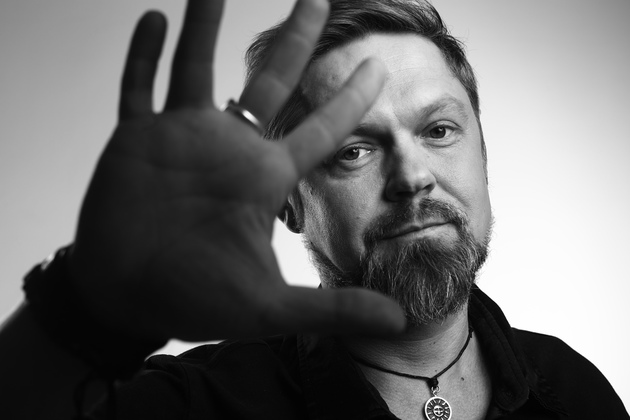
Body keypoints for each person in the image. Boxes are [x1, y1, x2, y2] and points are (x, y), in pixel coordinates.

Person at [0, 0, 627, 419]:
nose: (413, 177)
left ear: (483, 156)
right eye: (353, 150)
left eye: (439, 131)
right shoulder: (193, 405)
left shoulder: (576, 393)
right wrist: (89, 305)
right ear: (288, 204)